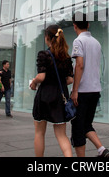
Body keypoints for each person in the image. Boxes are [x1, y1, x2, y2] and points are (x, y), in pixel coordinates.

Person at [70, 12, 109, 157]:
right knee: (86, 124)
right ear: (88, 24)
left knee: (77, 127)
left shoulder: (78, 41)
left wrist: (74, 90)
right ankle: (102, 149)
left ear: (74, 26)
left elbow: (79, 65)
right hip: (95, 90)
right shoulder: (96, 42)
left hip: (82, 91)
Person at [30, 25, 74, 157]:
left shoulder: (44, 54)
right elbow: (70, 80)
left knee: (39, 133)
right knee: (61, 135)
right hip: (60, 97)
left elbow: (41, 77)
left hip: (44, 96)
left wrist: (34, 82)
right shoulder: (66, 57)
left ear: (47, 38)